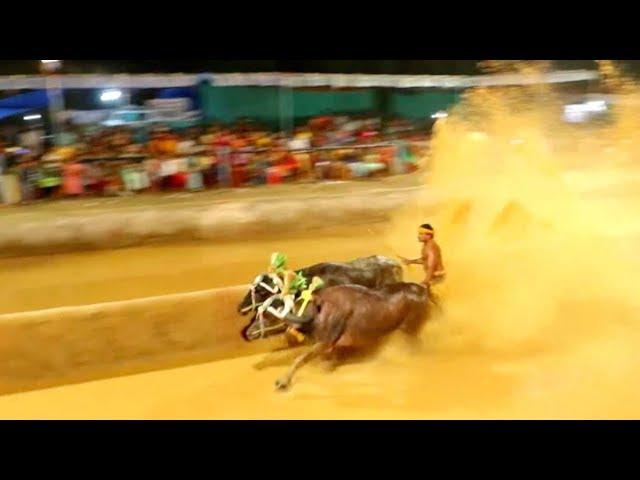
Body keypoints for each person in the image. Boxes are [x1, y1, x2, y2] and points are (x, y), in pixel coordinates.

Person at [399, 223, 446, 303]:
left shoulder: (430, 247)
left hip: (437, 280)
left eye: (421, 234)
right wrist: (410, 261)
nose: (418, 236)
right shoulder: (426, 245)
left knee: (435, 303)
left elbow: (431, 265)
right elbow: (425, 260)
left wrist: (425, 282)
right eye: (419, 234)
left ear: (428, 235)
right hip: (433, 279)